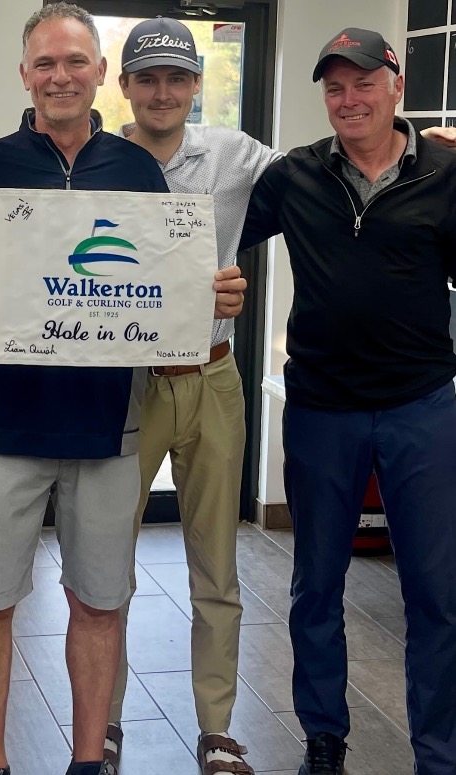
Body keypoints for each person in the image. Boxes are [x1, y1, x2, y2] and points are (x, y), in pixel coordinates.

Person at [0, 5, 244, 775]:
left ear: (101, 72)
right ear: (25, 74)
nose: (61, 76)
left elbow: (163, 290)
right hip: (3, 425)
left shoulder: (138, 172)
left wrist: (210, 298)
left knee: (100, 603)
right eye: (45, 63)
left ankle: (86, 763)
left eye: (76, 61)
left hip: (110, 430)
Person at [241, 27, 456, 775]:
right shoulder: (295, 175)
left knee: (435, 593)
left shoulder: (446, 173)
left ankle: (439, 755)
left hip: (421, 407)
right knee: (315, 585)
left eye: (364, 83)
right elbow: (209, 232)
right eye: (335, 87)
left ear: (396, 87)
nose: (349, 98)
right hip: (321, 408)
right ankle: (324, 739)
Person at [102, 17, 281, 775]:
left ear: (198, 85)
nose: (163, 92)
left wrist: (416, 148)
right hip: (123, 385)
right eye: (147, 78)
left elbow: (324, 173)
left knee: (217, 565)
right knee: (105, 564)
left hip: (211, 375)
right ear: (125, 86)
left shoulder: (236, 155)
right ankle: (101, 723)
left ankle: (217, 729)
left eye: (177, 78)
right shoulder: (98, 160)